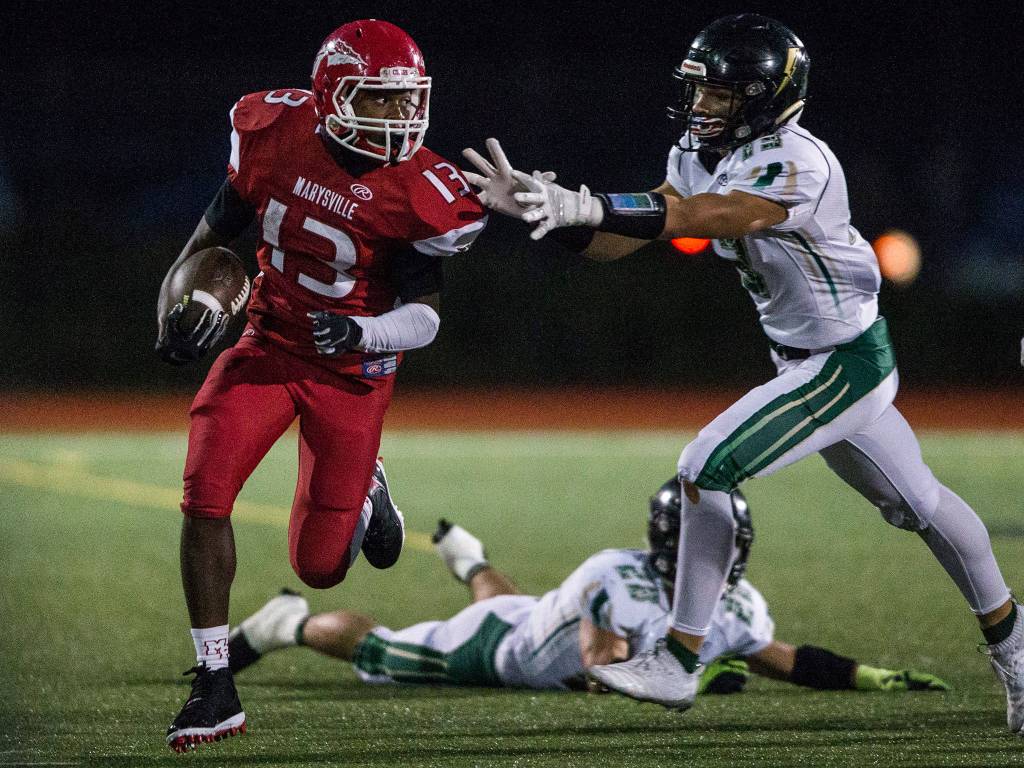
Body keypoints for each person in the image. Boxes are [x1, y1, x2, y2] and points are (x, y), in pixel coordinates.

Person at [462, 13, 1022, 731]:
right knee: (919, 506)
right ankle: (1016, 640)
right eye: (699, 90)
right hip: (803, 358)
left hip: (842, 360)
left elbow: (712, 216)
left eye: (720, 94)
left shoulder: (802, 160)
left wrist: (595, 204)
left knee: (706, 466)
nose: (702, 106)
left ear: (764, 97)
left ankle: (680, 656)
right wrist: (554, 215)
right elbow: (636, 233)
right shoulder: (699, 151)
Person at [156, 20, 486, 752]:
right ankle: (215, 682)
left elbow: (426, 318)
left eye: (410, 102)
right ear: (336, 95)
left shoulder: (419, 189)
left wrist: (362, 335)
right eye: (383, 100)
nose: (403, 118)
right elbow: (218, 235)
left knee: (320, 567)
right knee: (204, 491)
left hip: (353, 374)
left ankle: (367, 482)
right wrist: (175, 309)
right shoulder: (272, 131)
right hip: (269, 344)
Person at [227, 480, 949, 698]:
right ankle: (288, 622)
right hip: (496, 653)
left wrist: (868, 677)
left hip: (524, 619)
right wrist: (702, 669)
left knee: (507, 602)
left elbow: (779, 657)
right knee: (385, 653)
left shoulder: (737, 601)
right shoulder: (617, 577)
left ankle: (468, 556)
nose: (722, 554)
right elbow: (601, 667)